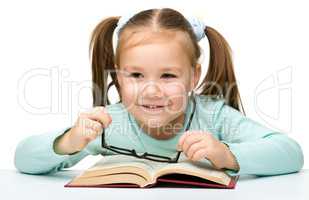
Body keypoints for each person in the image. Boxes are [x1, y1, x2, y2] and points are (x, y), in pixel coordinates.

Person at [15, 8, 303, 176]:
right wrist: (69, 141)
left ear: (193, 77)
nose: (151, 91)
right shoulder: (109, 125)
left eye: (168, 75)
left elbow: (291, 154)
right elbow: (23, 160)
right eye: (136, 75)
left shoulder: (214, 117)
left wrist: (226, 155)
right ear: (118, 74)